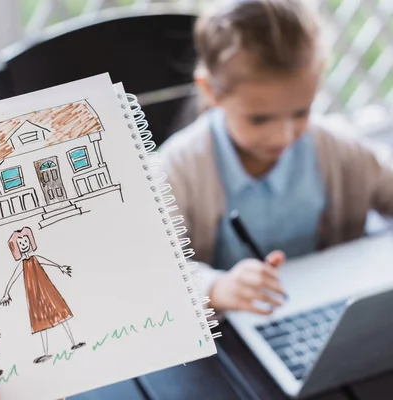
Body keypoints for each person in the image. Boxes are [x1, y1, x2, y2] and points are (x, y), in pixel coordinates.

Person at [160, 0, 393, 315]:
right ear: (211, 92)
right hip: (233, 334)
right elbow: (156, 266)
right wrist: (216, 287)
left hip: (332, 312)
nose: (283, 136)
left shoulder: (336, 148)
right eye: (259, 119)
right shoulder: (179, 168)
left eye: (301, 112)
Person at [0, 226, 85, 364]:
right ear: (16, 248)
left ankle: (74, 342)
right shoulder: (23, 264)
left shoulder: (35, 258)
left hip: (46, 289)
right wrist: (6, 293)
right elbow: (14, 277)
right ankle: (46, 352)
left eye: (25, 241)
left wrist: (60, 267)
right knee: (40, 321)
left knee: (60, 312)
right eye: (21, 244)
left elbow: (47, 261)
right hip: (34, 294)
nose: (24, 244)